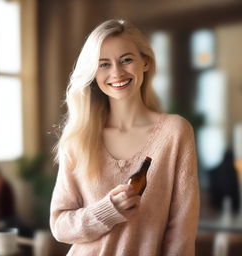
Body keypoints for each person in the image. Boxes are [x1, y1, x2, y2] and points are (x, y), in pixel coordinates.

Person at [50, 19, 200, 256]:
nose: (116, 72)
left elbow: (182, 232)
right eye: (103, 64)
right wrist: (106, 211)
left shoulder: (175, 132)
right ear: (93, 73)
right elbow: (60, 225)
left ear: (145, 62)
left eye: (126, 60)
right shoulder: (78, 139)